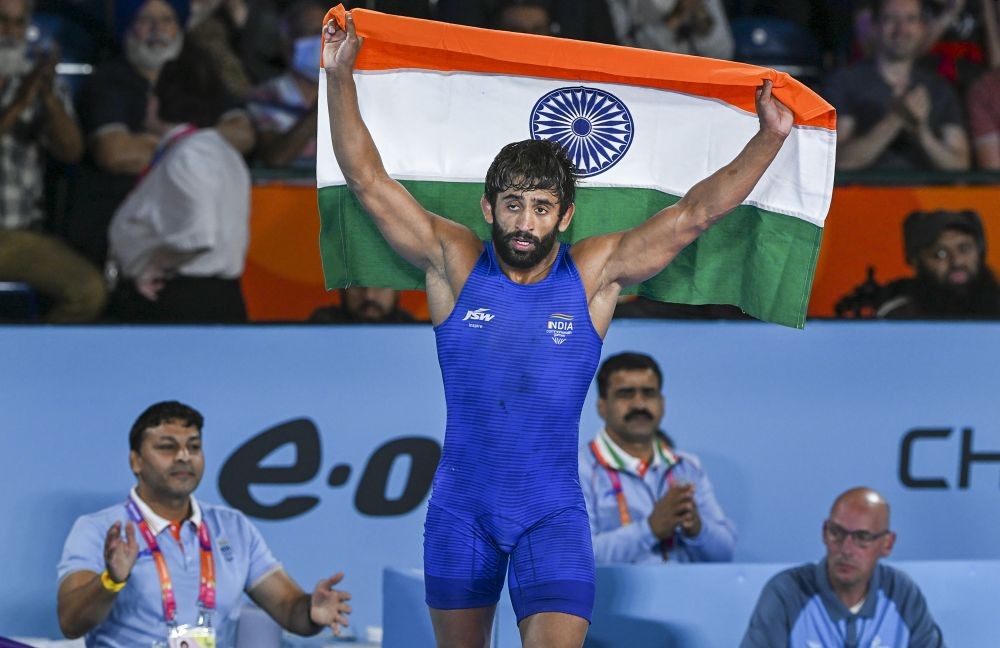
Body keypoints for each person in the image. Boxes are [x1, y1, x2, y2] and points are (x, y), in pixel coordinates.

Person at [323, 10, 792, 647]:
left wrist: (769, 136)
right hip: (462, 512)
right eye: (512, 205)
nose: (524, 221)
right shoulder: (453, 261)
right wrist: (339, 77)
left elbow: (692, 215)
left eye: (541, 208)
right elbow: (368, 182)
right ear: (489, 207)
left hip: (552, 516)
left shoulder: (592, 275)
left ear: (564, 216)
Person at [56, 401, 352, 646]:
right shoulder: (100, 529)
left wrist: (312, 612)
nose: (184, 456)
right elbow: (71, 622)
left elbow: (289, 608)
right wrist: (112, 580)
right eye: (167, 447)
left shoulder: (233, 527)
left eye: (194, 446)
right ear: (136, 461)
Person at [66, 0, 255, 268]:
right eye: (146, 20)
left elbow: (243, 135)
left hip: (193, 235)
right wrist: (200, 147)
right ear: (128, 27)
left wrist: (163, 142)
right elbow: (115, 154)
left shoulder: (199, 75)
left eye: (167, 20)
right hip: (123, 226)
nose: (158, 29)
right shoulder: (107, 80)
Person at [107, 42, 251, 323]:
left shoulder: (190, 155)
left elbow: (198, 235)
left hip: (185, 301)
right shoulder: (217, 149)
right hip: (205, 297)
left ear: (160, 101)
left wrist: (153, 266)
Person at [0, 0, 106, 322]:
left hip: (18, 235)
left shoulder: (34, 83)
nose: (10, 32)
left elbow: (71, 151)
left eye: (19, 24)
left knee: (88, 291)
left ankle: (33, 359)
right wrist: (18, 105)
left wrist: (47, 95)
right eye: (2, 21)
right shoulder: (22, 92)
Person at [579, 352, 736, 564]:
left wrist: (697, 528)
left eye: (649, 393)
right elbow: (578, 556)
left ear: (662, 403)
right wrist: (650, 529)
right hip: (614, 596)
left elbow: (725, 554)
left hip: (687, 594)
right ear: (602, 406)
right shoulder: (579, 468)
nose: (639, 405)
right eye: (626, 394)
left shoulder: (686, 466)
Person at [740, 487, 945, 647]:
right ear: (824, 533)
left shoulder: (901, 593)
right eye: (836, 532)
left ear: (887, 544)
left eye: (862, 538)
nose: (846, 549)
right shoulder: (787, 593)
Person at [824, 0, 970, 171]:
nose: (901, 29)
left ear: (922, 27)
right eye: (890, 19)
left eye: (910, 19)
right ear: (875, 26)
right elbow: (838, 161)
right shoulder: (844, 82)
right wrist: (896, 119)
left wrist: (922, 134)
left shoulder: (939, 88)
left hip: (928, 195)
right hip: (865, 194)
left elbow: (960, 168)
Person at [875, 209, 1000, 318]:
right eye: (940, 254)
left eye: (964, 249)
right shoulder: (897, 316)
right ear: (916, 261)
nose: (956, 261)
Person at [247, 0, 326, 168]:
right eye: (314, 32)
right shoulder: (265, 98)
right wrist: (322, 108)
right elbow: (275, 159)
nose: (325, 40)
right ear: (287, 48)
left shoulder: (354, 95)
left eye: (330, 31)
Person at [606, 0, 735, 59]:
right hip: (647, 82)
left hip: (699, 83)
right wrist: (677, 17)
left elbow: (723, 52)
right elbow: (625, 46)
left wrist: (700, 17)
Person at [309, 286, 416, 323]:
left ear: (399, 290)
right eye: (357, 284)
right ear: (341, 288)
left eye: (381, 284)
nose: (369, 296)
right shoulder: (319, 330)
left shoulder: (415, 335)